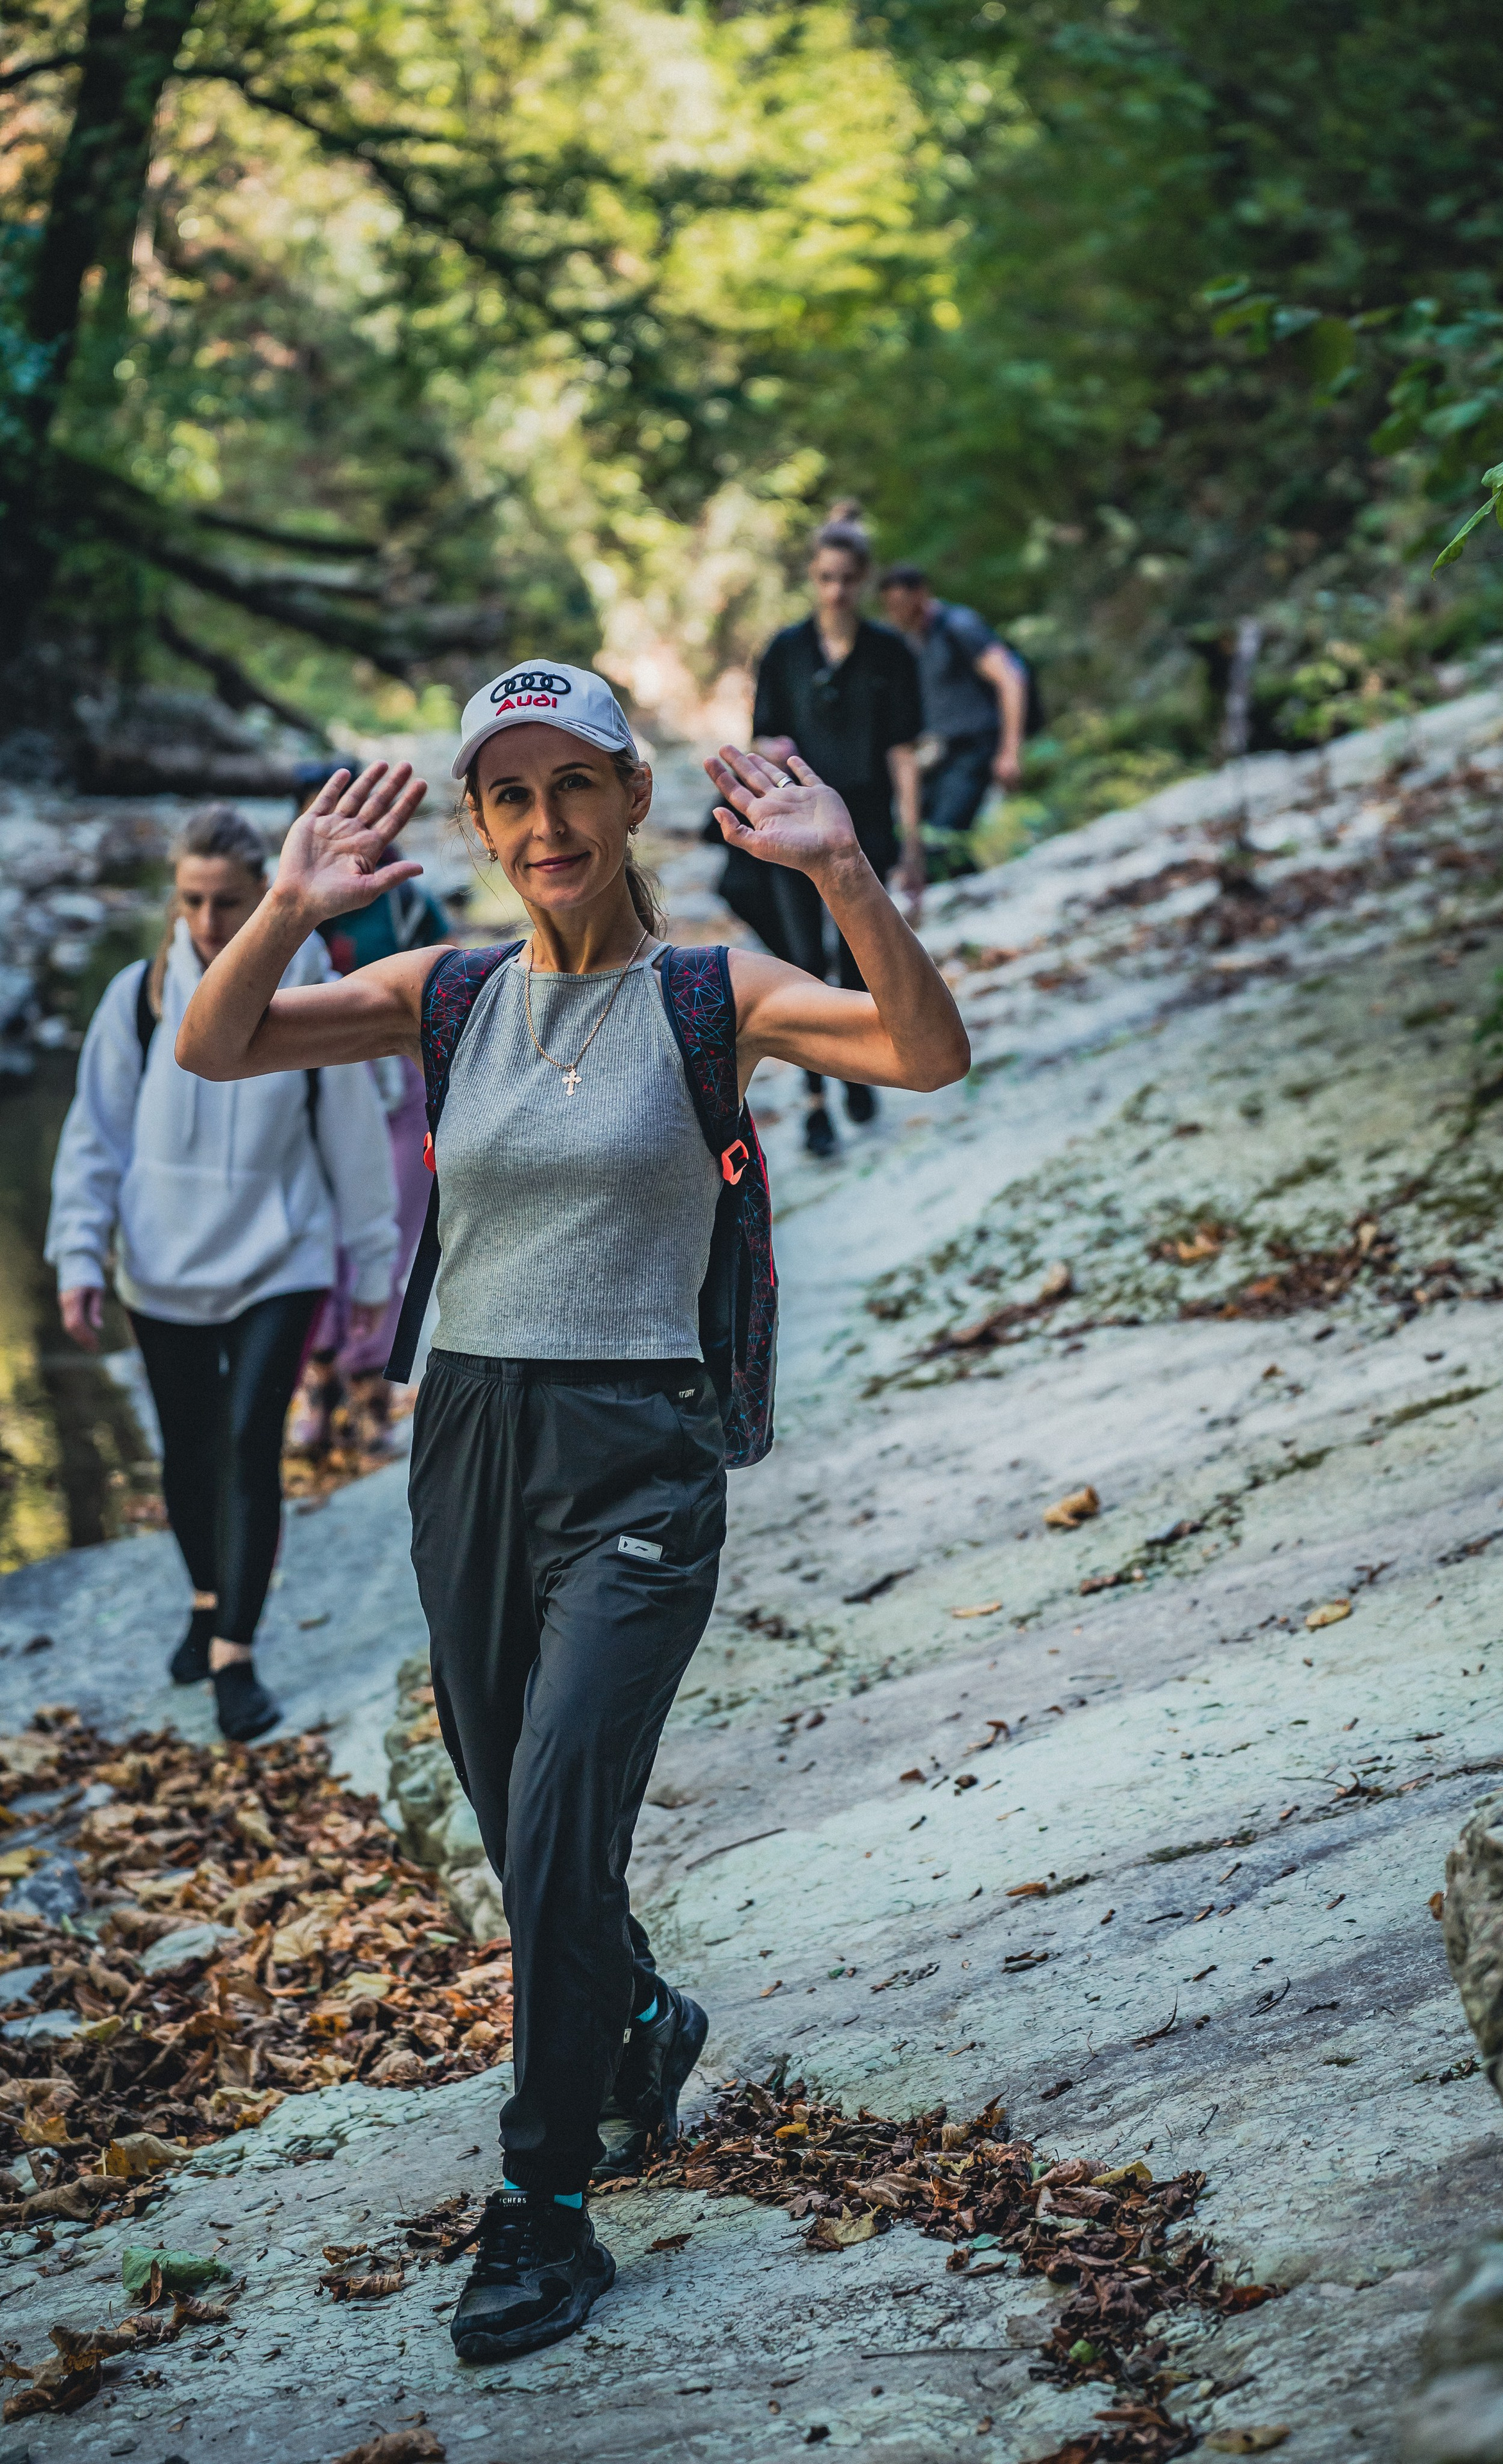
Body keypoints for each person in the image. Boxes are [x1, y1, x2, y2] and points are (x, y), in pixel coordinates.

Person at [173, 660, 969, 2363]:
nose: (547, 823)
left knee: (552, 1823)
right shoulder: (446, 992)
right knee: (509, 1816)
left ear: (629, 800)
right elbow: (215, 1041)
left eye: (575, 786)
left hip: (635, 1452)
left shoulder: (712, 990)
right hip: (466, 1438)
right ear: (481, 823)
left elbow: (923, 1049)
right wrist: (290, 905)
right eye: (511, 796)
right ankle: (641, 2017)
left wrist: (844, 870)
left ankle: (541, 2200)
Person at [45, 805, 398, 1741]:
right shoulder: (136, 999)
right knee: (188, 1448)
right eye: (192, 900)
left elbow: (355, 1140)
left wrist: (373, 1269)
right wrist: (79, 1251)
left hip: (280, 1258)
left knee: (247, 1442)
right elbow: (95, 1137)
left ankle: (235, 1653)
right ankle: (206, 1599)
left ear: (265, 896)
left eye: (229, 902)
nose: (208, 921)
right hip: (159, 1265)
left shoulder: (313, 992)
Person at [286, 757, 454, 1455]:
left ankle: (373, 1393)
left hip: (399, 1088)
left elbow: (450, 984)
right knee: (320, 1236)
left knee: (390, 1238)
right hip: (314, 1090)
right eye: (316, 811)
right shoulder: (287, 901)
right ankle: (317, 1385)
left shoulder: (407, 901)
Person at [751, 501, 924, 1156]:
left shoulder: (889, 654)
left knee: (857, 959)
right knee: (803, 962)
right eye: (826, 577)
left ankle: (857, 1072)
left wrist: (913, 842)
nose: (836, 591)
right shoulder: (785, 651)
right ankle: (817, 1103)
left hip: (865, 827)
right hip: (796, 826)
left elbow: (903, 752)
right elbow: (761, 734)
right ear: (812, 577)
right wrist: (772, 750)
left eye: (848, 579)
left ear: (864, 579)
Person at [877, 562, 1030, 882]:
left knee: (942, 839)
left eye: (900, 603)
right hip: (942, 754)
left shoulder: (959, 626)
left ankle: (982, 892)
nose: (895, 613)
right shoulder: (912, 642)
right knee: (917, 838)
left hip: (977, 747)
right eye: (889, 606)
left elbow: (1010, 679)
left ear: (920, 594)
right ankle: (976, 889)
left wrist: (1010, 752)